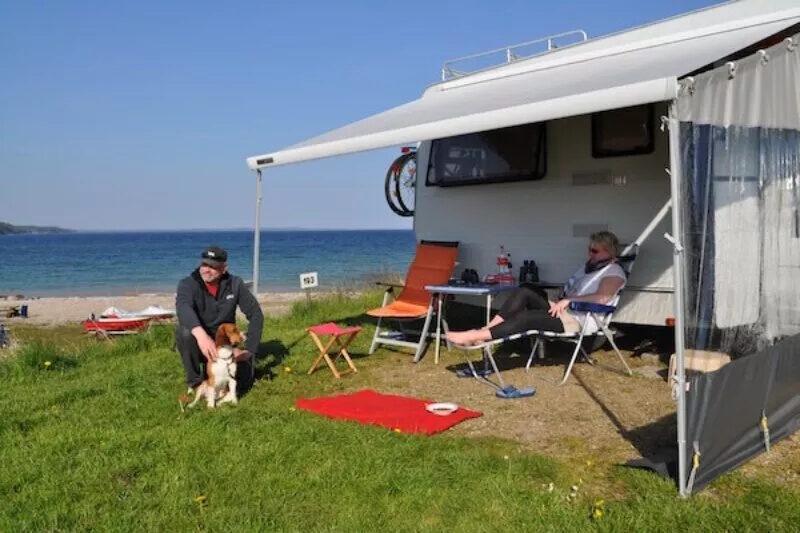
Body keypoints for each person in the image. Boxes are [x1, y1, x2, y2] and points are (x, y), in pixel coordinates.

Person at [445, 231, 626, 346]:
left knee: (526, 317)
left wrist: (569, 300)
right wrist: (561, 298)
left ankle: (478, 336)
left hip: (579, 319)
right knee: (526, 289)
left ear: (610, 251)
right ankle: (484, 330)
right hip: (563, 310)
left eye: (595, 251)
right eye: (589, 249)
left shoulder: (614, 271)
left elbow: (602, 298)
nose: (590, 253)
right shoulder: (589, 267)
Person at [175, 245, 264, 392]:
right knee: (184, 332)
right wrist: (201, 336)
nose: (206, 270)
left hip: (225, 345)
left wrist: (250, 351)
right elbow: (183, 308)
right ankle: (195, 382)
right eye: (204, 264)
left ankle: (219, 371)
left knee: (244, 383)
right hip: (199, 343)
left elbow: (256, 314)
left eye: (213, 266)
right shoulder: (187, 284)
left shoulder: (235, 284)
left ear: (224, 268)